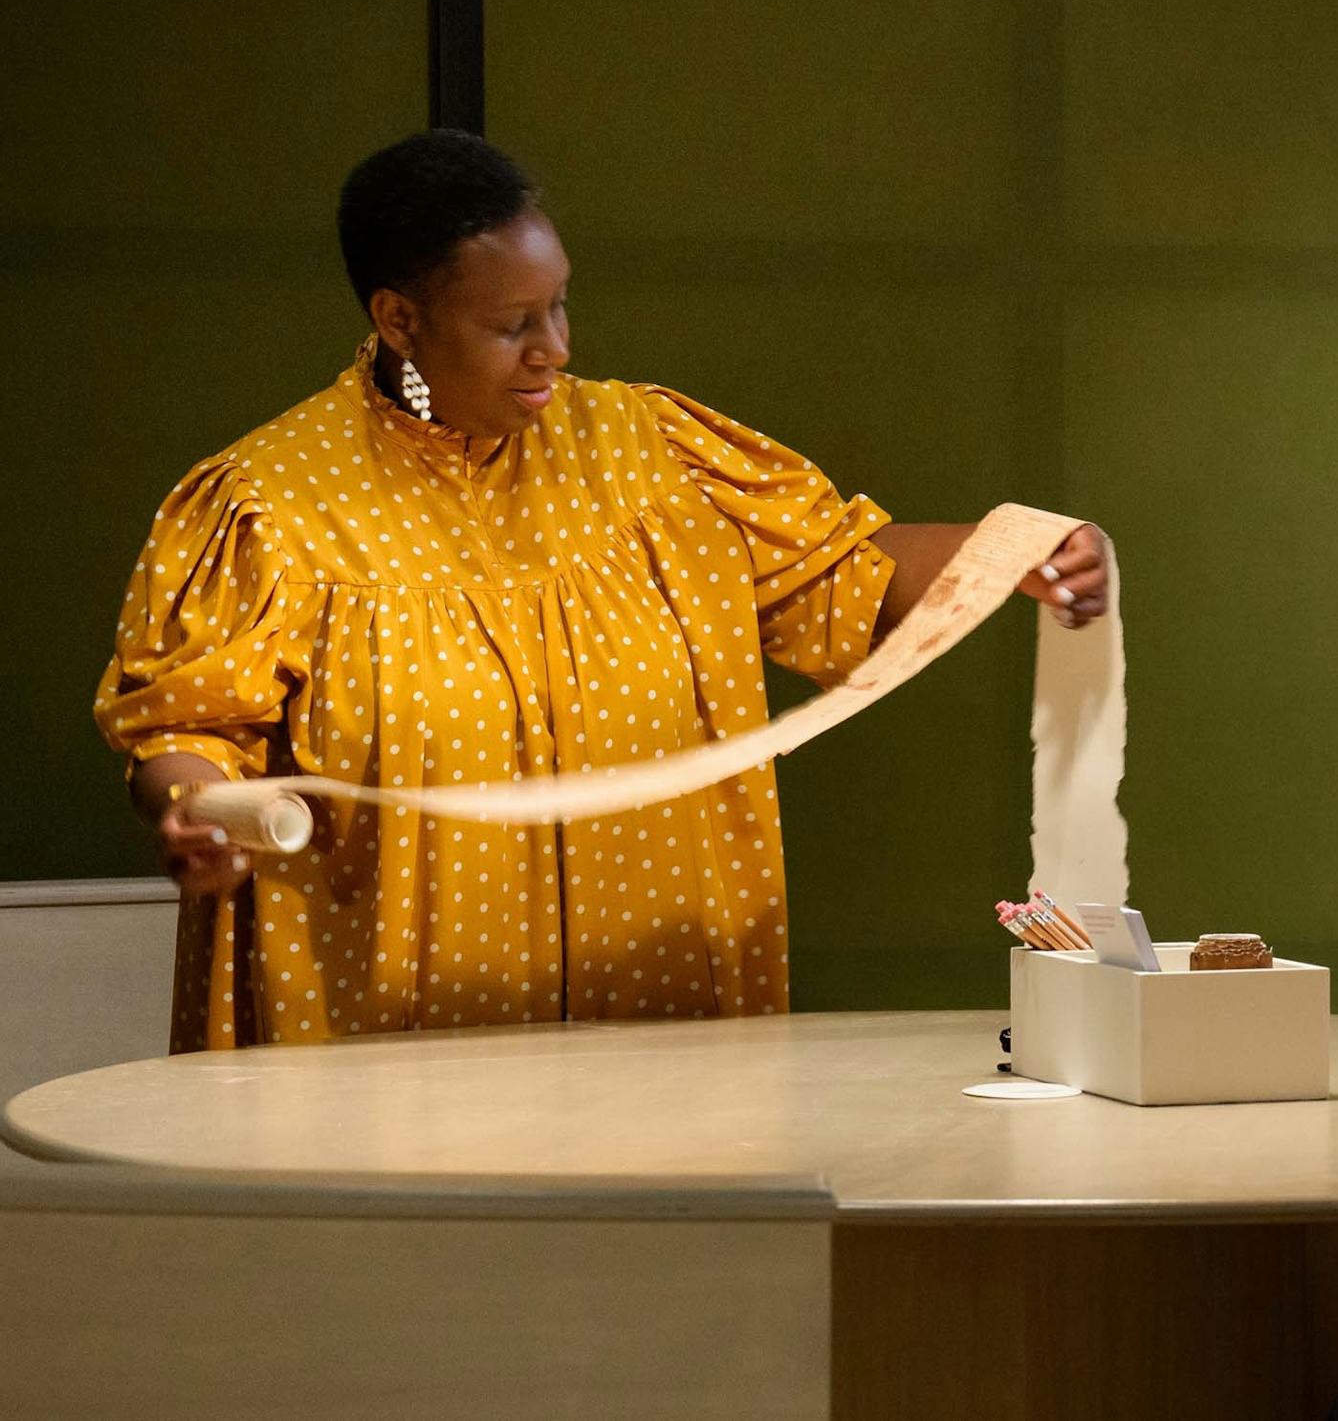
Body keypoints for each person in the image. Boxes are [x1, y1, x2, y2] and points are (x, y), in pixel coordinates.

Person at [95, 130, 1107, 1052]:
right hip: (388, 1020)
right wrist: (193, 808)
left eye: (561, 304)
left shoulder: (650, 452)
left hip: (656, 1008)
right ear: (400, 317)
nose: (557, 349)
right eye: (512, 324)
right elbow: (188, 728)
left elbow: (846, 573)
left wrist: (1011, 551)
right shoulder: (273, 502)